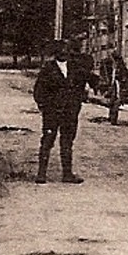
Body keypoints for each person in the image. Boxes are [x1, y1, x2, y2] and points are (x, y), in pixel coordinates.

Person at [32, 41, 95, 184]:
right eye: (60, 51)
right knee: (47, 140)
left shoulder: (76, 68)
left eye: (66, 50)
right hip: (52, 113)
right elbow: (38, 92)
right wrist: (45, 108)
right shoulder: (47, 69)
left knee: (67, 142)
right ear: (56, 53)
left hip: (70, 113)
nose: (63, 53)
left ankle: (67, 174)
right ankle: (41, 174)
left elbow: (90, 80)